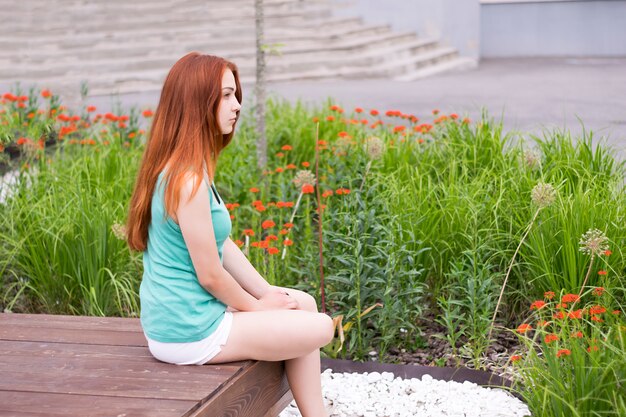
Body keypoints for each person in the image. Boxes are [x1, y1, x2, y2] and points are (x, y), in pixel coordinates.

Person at [126, 52, 334, 417]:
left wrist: (266, 293)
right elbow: (209, 274)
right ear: (196, 102)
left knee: (301, 304)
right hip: (189, 331)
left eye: (235, 94)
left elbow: (220, 245)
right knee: (318, 327)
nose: (236, 105)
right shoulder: (187, 179)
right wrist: (257, 307)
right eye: (225, 95)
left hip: (188, 320)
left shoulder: (185, 168)